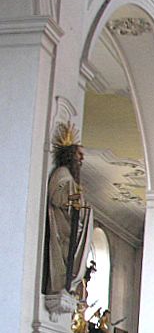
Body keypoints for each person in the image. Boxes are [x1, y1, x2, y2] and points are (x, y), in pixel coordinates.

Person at [46, 122, 93, 295]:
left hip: (71, 226)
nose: (82, 159)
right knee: (64, 258)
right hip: (62, 226)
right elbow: (56, 196)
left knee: (70, 259)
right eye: (79, 154)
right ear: (70, 155)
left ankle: (65, 285)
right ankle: (60, 284)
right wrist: (71, 200)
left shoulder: (70, 178)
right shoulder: (62, 173)